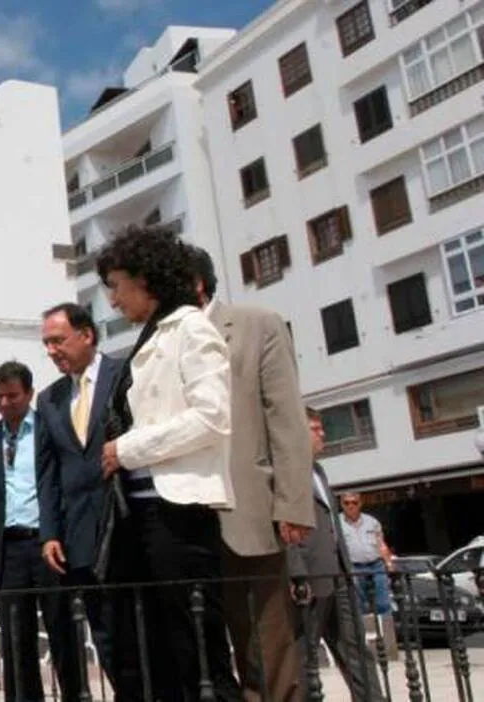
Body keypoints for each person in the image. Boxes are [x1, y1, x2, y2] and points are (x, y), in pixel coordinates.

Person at [96, 225, 242, 702]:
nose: (113, 300)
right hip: (138, 515)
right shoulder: (150, 337)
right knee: (150, 647)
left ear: (145, 278)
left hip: (178, 513)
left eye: (117, 285)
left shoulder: (191, 328)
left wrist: (127, 450)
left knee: (196, 649)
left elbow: (213, 416)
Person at [187, 247, 314, 702]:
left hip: (247, 515)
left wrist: (293, 503)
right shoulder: (158, 344)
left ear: (196, 284)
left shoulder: (256, 324)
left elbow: (285, 418)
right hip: (185, 524)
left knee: (266, 654)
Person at [0, 361, 85, 702]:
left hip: (48, 543)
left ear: (30, 394)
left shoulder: (50, 431)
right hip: (10, 547)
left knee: (62, 629)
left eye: (13, 396)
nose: (6, 403)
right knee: (15, 637)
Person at [34, 302, 118, 678]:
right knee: (106, 639)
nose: (51, 351)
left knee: (141, 630)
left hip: (124, 527)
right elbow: (47, 472)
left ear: (86, 335)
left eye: (58, 341)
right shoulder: (49, 399)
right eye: (46, 344)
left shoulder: (123, 375)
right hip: (78, 538)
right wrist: (50, 532)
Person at [288, 407, 383, 701]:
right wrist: (296, 571)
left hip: (339, 573)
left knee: (356, 649)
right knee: (304, 656)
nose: (323, 434)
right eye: (316, 429)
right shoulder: (285, 470)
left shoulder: (318, 471)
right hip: (309, 576)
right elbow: (284, 526)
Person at [339, 492, 395, 616]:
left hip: (376, 565)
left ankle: (387, 633)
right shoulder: (337, 523)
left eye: (354, 502)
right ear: (341, 504)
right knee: (360, 604)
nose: (351, 506)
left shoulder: (371, 521)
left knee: (383, 603)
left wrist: (389, 563)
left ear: (360, 504)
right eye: (346, 503)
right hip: (354, 567)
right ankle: (366, 634)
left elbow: (381, 544)